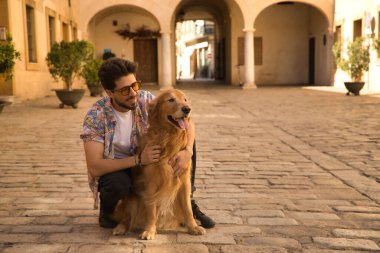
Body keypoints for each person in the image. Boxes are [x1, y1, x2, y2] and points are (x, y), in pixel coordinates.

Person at [80, 58, 215, 229]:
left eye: (135, 85)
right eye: (124, 90)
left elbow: (189, 123)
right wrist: (138, 160)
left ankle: (188, 202)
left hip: (146, 160)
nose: (133, 93)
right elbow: (95, 166)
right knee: (117, 184)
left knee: (185, 138)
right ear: (110, 93)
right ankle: (110, 209)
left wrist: (188, 152)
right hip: (120, 168)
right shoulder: (96, 116)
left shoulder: (145, 100)